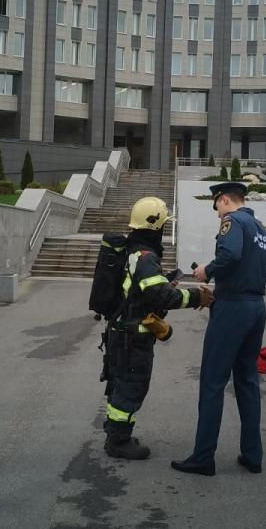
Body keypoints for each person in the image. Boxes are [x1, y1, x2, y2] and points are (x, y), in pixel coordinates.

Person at [174, 181, 266, 476]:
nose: (217, 213)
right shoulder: (260, 229)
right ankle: (253, 455)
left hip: (233, 309)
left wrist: (207, 270)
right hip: (256, 306)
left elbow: (229, 255)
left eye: (216, 205)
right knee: (247, 380)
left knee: (213, 381)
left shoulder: (233, 221)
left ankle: (203, 457)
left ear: (226, 200)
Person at [103, 197, 213, 460]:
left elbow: (141, 291)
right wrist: (197, 297)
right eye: (163, 225)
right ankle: (118, 441)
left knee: (121, 383)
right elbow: (160, 297)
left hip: (121, 331)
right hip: (133, 337)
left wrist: (164, 285)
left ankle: (117, 432)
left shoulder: (132, 250)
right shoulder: (145, 257)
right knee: (131, 385)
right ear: (156, 228)